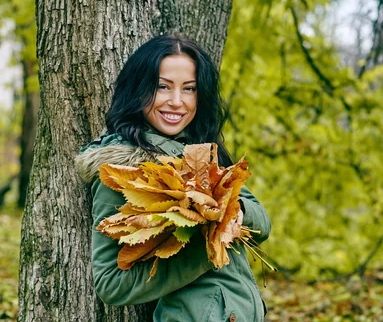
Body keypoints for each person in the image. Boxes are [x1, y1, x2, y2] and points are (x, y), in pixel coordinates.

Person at [75, 33, 271, 322]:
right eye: (162, 87)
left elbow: (262, 224)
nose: (177, 101)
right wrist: (207, 248)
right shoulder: (123, 169)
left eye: (189, 88)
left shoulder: (201, 153)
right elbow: (110, 284)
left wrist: (229, 209)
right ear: (138, 89)